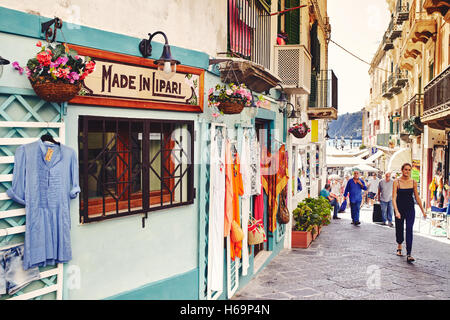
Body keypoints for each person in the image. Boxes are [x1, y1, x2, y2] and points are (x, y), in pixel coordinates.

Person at [392, 163, 426, 263]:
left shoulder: (413, 182)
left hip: (410, 208)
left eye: (409, 170)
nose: (407, 171)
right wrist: (396, 211)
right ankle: (399, 245)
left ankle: (409, 253)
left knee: (409, 229)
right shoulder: (396, 182)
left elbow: (417, 197)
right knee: (399, 228)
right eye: (406, 169)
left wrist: (423, 211)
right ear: (402, 170)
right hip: (399, 208)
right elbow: (393, 198)